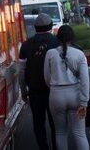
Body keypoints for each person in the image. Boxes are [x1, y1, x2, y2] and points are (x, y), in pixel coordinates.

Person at [44, 25, 90, 150]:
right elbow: (85, 80)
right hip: (75, 95)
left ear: (57, 38)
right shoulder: (80, 54)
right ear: (72, 38)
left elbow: (47, 78)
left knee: (60, 132)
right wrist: (84, 101)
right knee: (80, 133)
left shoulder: (50, 54)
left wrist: (54, 87)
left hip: (56, 95)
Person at [18, 13, 59, 150]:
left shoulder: (25, 45)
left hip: (35, 91)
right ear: (51, 26)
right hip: (54, 90)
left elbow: (22, 71)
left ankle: (43, 147)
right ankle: (57, 147)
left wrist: (23, 91)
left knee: (38, 122)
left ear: (35, 28)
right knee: (55, 124)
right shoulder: (56, 42)